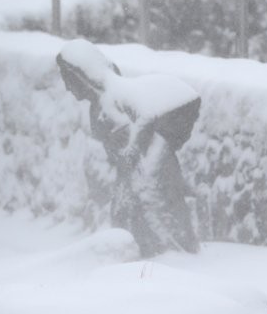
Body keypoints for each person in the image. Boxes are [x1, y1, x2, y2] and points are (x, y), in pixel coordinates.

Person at [57, 39, 200, 256]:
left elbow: (147, 114)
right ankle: (142, 258)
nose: (68, 87)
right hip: (132, 166)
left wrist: (133, 147)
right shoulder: (98, 107)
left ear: (81, 76)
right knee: (123, 211)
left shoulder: (117, 90)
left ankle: (174, 257)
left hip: (151, 158)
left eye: (69, 80)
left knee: (154, 207)